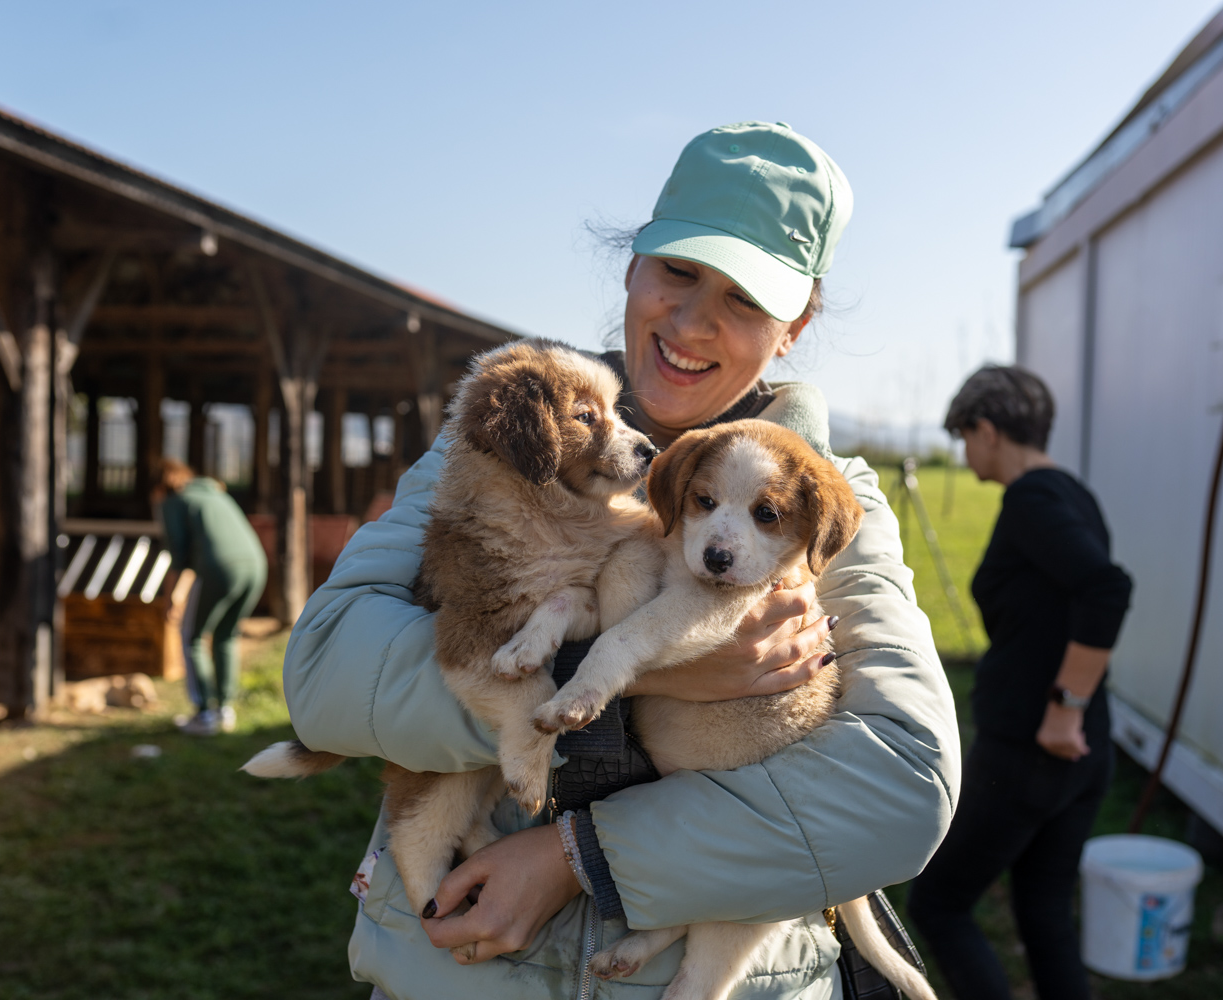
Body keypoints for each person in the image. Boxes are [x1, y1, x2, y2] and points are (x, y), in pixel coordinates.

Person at [285, 122, 960, 999]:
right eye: (678, 272)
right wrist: (638, 678)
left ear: (793, 329)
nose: (691, 320)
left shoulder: (831, 505)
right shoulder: (501, 443)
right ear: (633, 266)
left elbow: (905, 785)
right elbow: (324, 673)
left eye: (746, 301)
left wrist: (579, 858)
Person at [907, 366, 1133, 1000]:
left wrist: (1065, 707)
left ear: (987, 429)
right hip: (1086, 756)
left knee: (940, 905)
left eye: (964, 437)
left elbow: (1106, 590)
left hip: (1031, 751)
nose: (965, 452)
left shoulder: (1032, 501)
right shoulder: (1074, 493)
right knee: (1045, 912)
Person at [154, 458, 268, 736]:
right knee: (226, 635)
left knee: (192, 636)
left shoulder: (174, 501)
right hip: (256, 565)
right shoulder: (215, 494)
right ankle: (225, 710)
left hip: (221, 569)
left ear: (160, 485)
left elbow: (178, 557)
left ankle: (204, 714)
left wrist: (170, 599)